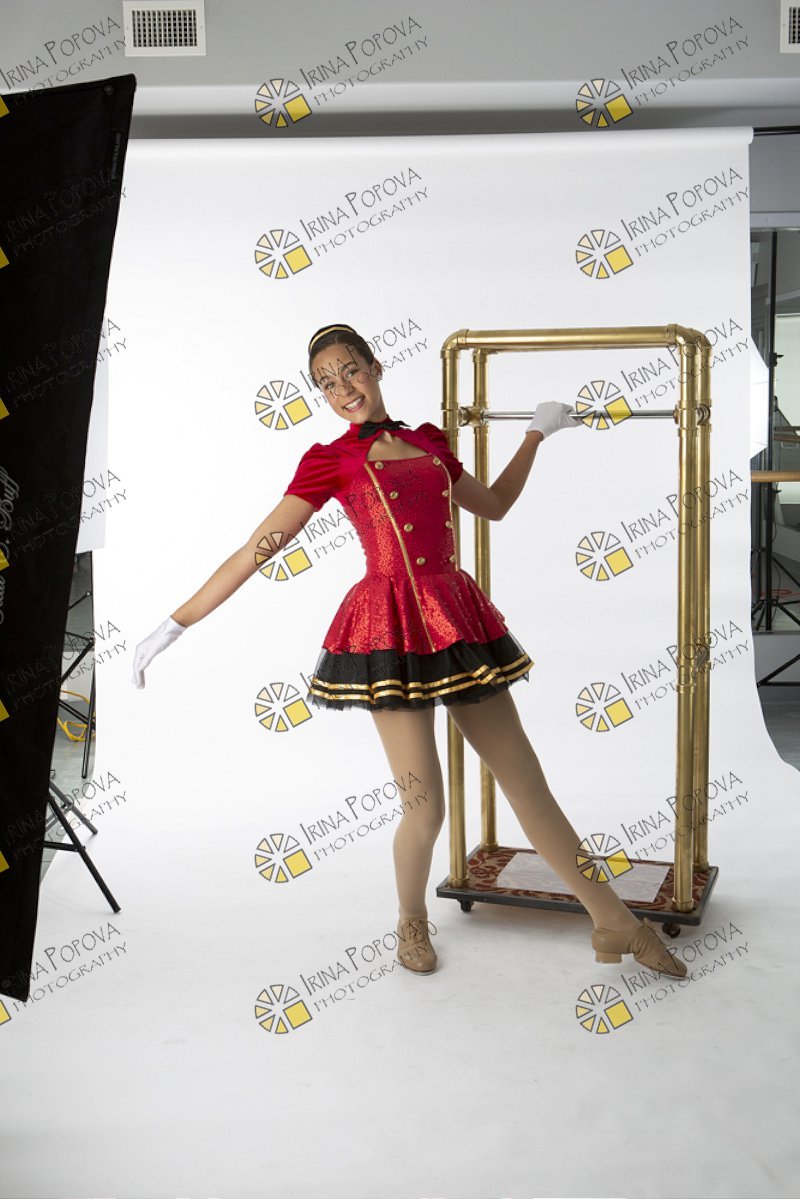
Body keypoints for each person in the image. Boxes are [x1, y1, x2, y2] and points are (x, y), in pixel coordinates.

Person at [132, 322, 686, 981]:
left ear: (375, 365)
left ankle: (613, 921)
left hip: (454, 620)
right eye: (326, 383)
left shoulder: (430, 442)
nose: (343, 389)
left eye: (350, 370)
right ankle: (411, 919)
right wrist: (176, 623)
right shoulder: (329, 460)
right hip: (389, 629)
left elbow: (495, 505)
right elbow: (257, 548)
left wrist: (538, 433)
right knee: (425, 807)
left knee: (527, 783)